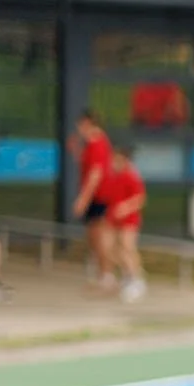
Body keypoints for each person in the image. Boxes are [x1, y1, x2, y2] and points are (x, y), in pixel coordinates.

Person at [69, 111, 118, 292]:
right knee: (92, 237)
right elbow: (87, 165)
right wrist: (76, 150)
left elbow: (95, 175)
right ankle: (102, 275)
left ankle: (107, 275)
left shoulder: (97, 142)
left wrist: (83, 199)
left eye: (80, 126)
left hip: (100, 197)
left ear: (88, 123)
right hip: (96, 197)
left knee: (99, 237)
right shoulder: (91, 144)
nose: (79, 130)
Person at [98, 148, 147, 302]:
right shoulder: (112, 176)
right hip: (112, 218)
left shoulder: (131, 176)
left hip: (128, 220)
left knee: (127, 248)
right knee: (108, 248)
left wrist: (125, 207)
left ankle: (136, 280)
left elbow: (140, 198)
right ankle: (121, 275)